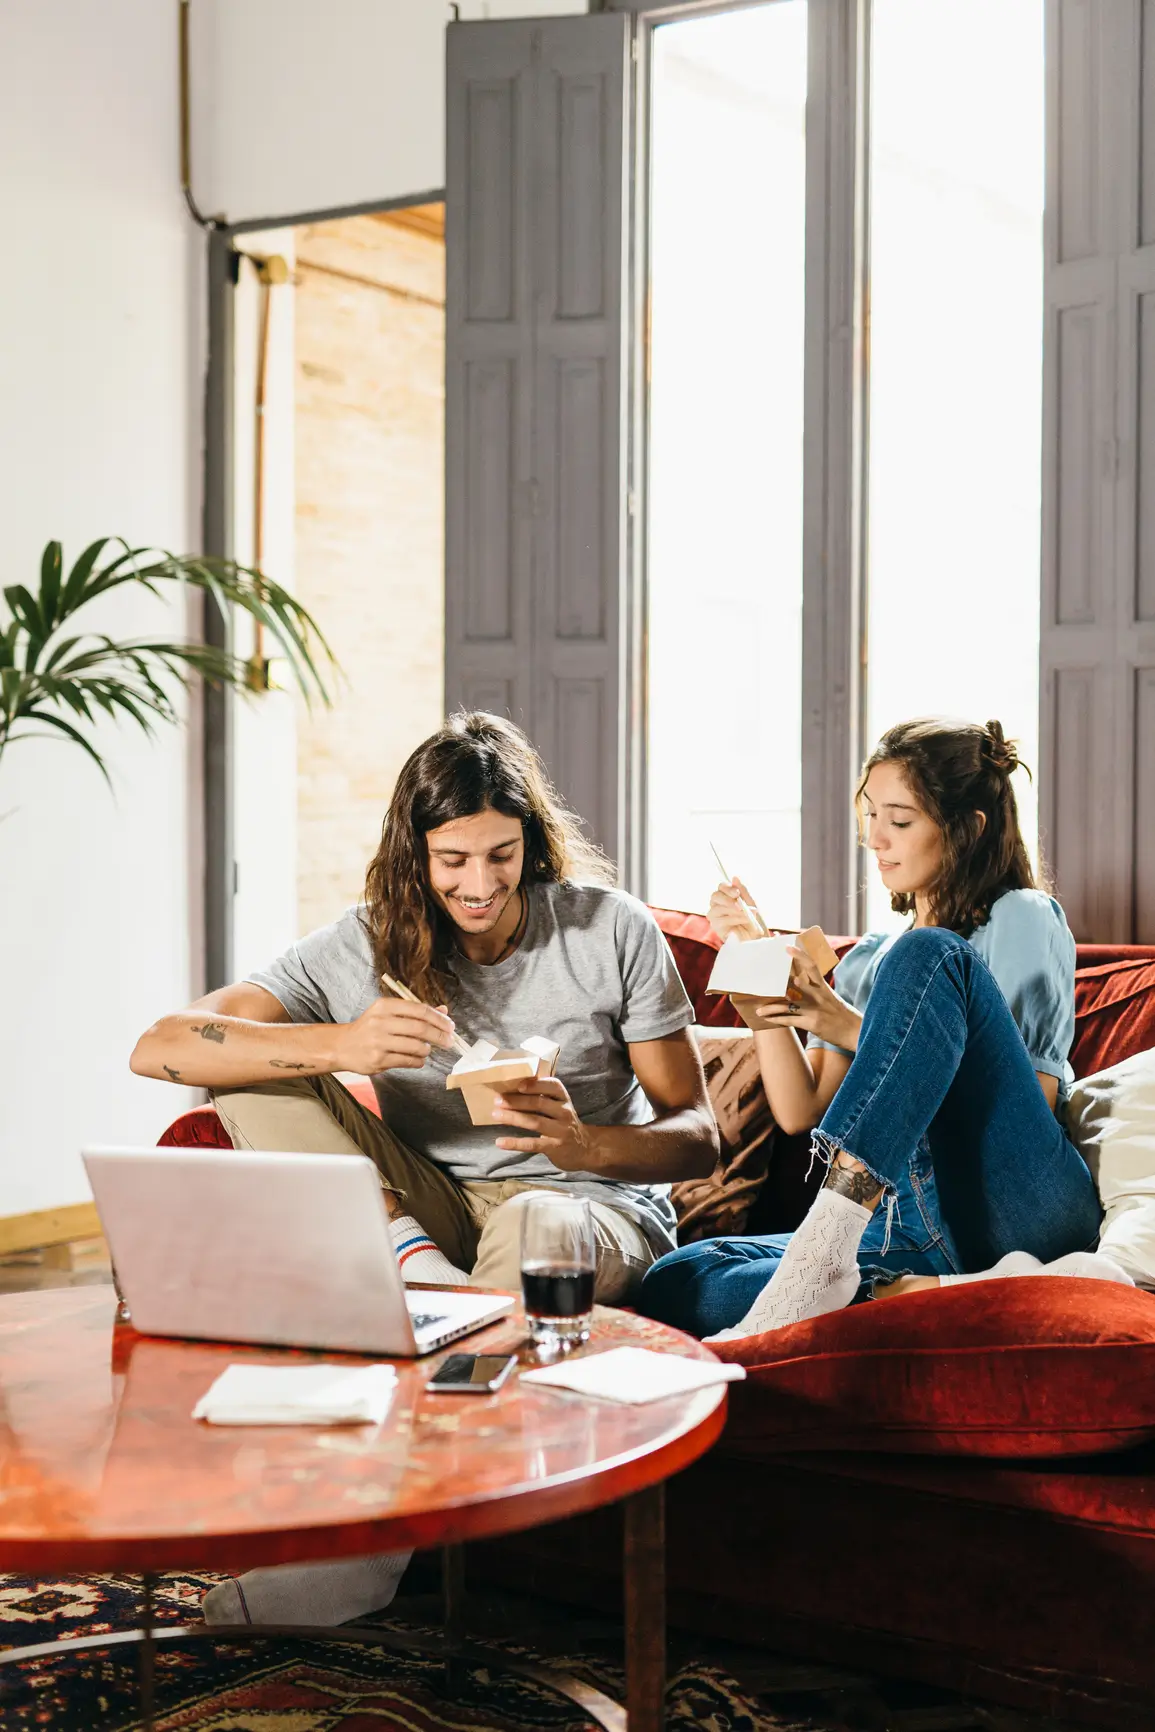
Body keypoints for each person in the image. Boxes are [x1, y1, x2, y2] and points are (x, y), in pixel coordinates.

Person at [131, 710, 717, 1626]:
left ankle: (374, 1547)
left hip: (586, 1204)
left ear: (532, 841)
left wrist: (581, 1143)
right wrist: (342, 1042)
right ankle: (418, 1271)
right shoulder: (365, 942)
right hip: (430, 1206)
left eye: (502, 854)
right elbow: (160, 1047)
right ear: (414, 853)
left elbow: (698, 1135)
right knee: (257, 1075)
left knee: (536, 1223)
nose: (479, 885)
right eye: (453, 860)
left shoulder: (609, 931)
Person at [637, 716, 1118, 1344]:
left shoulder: (1018, 918)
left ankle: (821, 1263)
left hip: (1014, 1200)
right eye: (869, 816)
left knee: (925, 957)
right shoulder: (867, 959)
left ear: (967, 829)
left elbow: (1020, 1101)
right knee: (677, 1277)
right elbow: (799, 1110)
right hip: (906, 1227)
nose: (875, 839)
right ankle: (900, 1291)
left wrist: (836, 1016)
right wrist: (757, 964)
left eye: (899, 820)